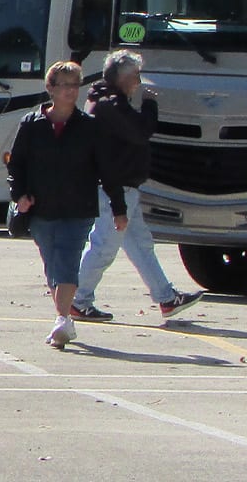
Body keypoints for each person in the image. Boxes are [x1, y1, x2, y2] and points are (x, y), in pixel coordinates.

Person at [70, 50, 203, 323]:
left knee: (140, 244)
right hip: (114, 188)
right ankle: (76, 300)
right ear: (125, 77)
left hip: (122, 186)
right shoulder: (110, 104)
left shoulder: (104, 100)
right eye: (136, 77)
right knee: (104, 245)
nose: (138, 83)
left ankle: (166, 297)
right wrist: (151, 106)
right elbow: (140, 131)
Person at [7, 59, 125, 350]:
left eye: (75, 85)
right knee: (52, 265)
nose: (71, 91)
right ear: (51, 88)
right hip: (41, 207)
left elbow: (107, 169)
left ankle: (62, 318)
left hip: (78, 207)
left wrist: (119, 208)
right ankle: (64, 318)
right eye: (65, 85)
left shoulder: (89, 127)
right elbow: (17, 165)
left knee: (69, 261)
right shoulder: (31, 125)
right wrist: (19, 195)